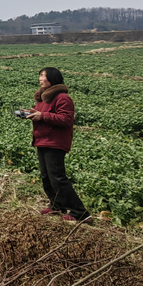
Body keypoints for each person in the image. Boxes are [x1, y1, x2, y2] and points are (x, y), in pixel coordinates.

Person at [26, 67, 91, 222]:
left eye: (43, 76)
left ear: (53, 79)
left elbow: (67, 119)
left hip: (54, 142)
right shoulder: (43, 98)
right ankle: (56, 206)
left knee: (57, 177)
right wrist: (31, 114)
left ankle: (80, 212)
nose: (40, 79)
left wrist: (42, 116)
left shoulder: (62, 98)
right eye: (40, 75)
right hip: (42, 140)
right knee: (46, 176)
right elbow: (43, 115)